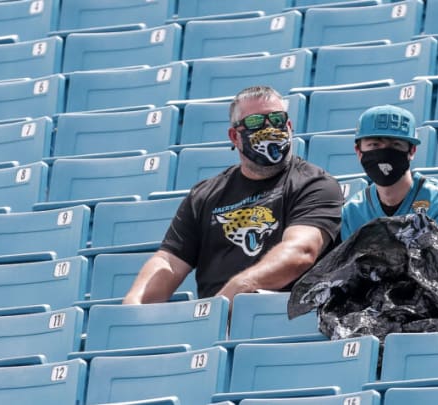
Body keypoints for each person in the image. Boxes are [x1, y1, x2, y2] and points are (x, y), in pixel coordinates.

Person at [123, 86, 344, 304]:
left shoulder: (315, 184)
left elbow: (300, 252)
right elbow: (169, 262)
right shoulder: (204, 195)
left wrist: (237, 290)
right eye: (255, 122)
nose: (269, 129)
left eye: (277, 120)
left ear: (289, 126)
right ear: (234, 137)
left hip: (279, 317)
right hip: (212, 324)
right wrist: (134, 306)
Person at [341, 104, 438, 271]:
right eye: (374, 145)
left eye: (395, 145)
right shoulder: (353, 212)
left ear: (412, 151)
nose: (385, 153)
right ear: (358, 152)